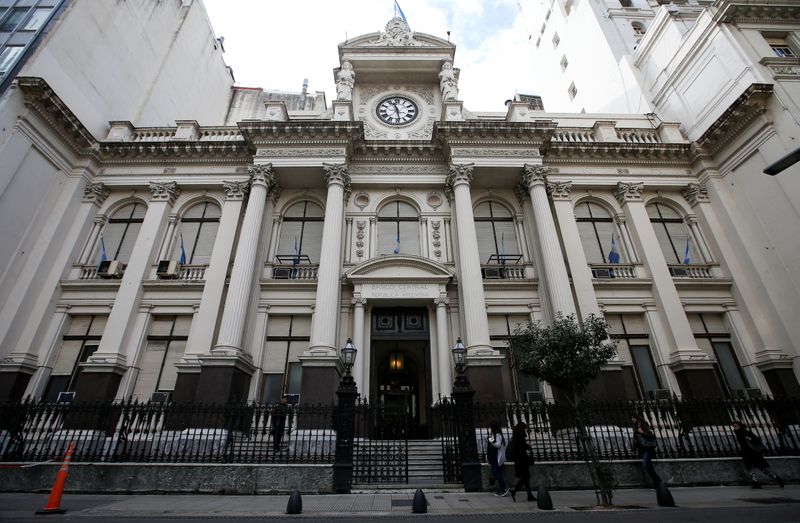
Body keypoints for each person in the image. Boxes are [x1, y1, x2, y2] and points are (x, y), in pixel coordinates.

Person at [732, 420, 784, 489]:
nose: (734, 428)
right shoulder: (738, 433)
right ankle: (756, 483)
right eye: (734, 426)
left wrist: (749, 439)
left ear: (740, 426)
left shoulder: (746, 432)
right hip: (745, 453)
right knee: (749, 469)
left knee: (762, 468)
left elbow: (757, 439)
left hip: (753, 453)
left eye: (736, 426)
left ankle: (777, 478)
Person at [630, 413, 662, 487]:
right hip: (642, 449)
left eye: (633, 418)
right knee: (649, 466)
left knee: (646, 465)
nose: (632, 419)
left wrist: (642, 432)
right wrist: (633, 450)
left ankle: (658, 481)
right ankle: (657, 483)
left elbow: (651, 436)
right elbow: (636, 440)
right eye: (631, 418)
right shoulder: (635, 427)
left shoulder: (643, 425)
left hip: (647, 449)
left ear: (637, 418)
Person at [508, 422, 536, 502]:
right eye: (524, 428)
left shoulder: (515, 435)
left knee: (526, 478)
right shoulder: (520, 436)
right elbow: (521, 447)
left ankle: (529, 495)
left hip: (518, 459)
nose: (525, 430)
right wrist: (529, 446)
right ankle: (515, 489)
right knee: (526, 477)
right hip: (521, 459)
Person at [487, 422, 509, 496]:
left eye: (491, 428)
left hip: (498, 457)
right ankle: (501, 489)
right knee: (497, 473)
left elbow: (498, 445)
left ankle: (504, 487)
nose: (490, 430)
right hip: (495, 457)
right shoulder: (494, 435)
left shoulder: (498, 435)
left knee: (495, 472)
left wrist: (490, 441)